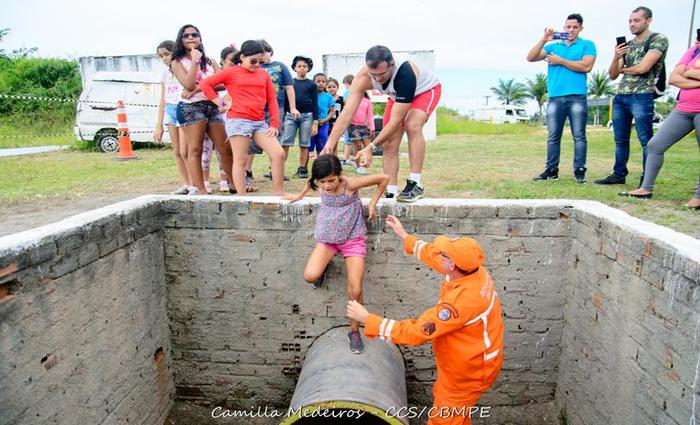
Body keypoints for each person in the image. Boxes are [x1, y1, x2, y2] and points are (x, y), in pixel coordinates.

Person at [347, 215, 503, 424]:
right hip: (466, 363)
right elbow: (434, 255)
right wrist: (405, 236)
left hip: (467, 373)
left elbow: (418, 331)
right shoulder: (473, 271)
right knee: (455, 412)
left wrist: (368, 319)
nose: (439, 254)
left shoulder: (460, 303)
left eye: (444, 254)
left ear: (452, 265)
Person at [286, 154, 389, 354]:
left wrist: (373, 204)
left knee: (355, 289)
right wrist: (299, 195)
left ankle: (354, 330)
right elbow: (310, 183)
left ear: (339, 175)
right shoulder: (319, 183)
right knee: (310, 276)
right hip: (328, 239)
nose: (326, 186)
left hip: (352, 239)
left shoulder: (350, 185)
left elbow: (383, 178)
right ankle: (323, 267)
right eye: (322, 181)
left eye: (331, 180)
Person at [322, 46, 441, 202]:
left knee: (412, 124)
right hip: (396, 96)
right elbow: (346, 114)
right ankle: (391, 190)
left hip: (424, 90)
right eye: (374, 75)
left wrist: (370, 147)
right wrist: (330, 143)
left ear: (391, 65)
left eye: (382, 74)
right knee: (390, 142)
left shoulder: (405, 73)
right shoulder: (363, 78)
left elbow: (396, 121)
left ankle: (416, 183)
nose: (377, 79)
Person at [619, 34, 700, 210]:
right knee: (655, 145)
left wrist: (689, 73)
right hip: (684, 109)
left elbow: (684, 74)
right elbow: (674, 78)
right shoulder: (693, 52)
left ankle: (699, 197)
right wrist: (692, 69)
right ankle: (645, 188)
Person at [198, 40, 287, 196]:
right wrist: (219, 102)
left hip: (259, 122)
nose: (257, 65)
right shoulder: (231, 72)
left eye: (261, 62)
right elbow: (206, 84)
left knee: (278, 154)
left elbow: (271, 99)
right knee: (240, 159)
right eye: (253, 61)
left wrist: (274, 123)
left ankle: (279, 193)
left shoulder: (263, 74)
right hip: (238, 120)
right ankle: (241, 197)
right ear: (243, 56)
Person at [595, 6, 669, 187]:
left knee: (646, 139)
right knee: (620, 138)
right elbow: (612, 75)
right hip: (621, 95)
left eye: (636, 20)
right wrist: (616, 57)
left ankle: (647, 177)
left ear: (648, 20)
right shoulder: (627, 45)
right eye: (630, 21)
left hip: (642, 94)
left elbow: (643, 68)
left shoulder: (657, 39)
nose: (632, 24)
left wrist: (623, 69)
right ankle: (619, 173)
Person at [526, 13, 596, 184]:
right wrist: (544, 39)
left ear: (581, 28)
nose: (571, 30)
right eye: (568, 27)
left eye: (575, 27)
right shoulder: (554, 46)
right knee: (553, 135)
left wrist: (561, 61)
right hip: (555, 96)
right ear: (564, 27)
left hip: (577, 96)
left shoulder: (587, 45)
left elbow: (586, 66)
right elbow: (531, 57)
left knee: (578, 135)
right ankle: (551, 170)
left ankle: (579, 170)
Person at [171, 24, 235, 195]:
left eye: (195, 35)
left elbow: (223, 82)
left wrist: (200, 88)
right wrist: (194, 60)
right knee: (195, 149)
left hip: (212, 105)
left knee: (225, 148)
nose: (191, 38)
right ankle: (200, 189)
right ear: (181, 40)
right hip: (190, 108)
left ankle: (234, 185)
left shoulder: (210, 61)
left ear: (200, 38)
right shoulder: (177, 62)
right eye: (186, 36)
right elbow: (188, 83)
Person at [256, 40, 299, 182]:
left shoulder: (280, 66)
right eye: (259, 53)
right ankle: (247, 171)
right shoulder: (253, 67)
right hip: (256, 108)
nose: (262, 55)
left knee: (275, 138)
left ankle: (275, 170)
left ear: (270, 52)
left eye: (264, 52)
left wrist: (292, 107)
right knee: (250, 141)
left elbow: (289, 87)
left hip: (276, 107)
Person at [153, 40, 191, 195]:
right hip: (170, 109)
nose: (164, 58)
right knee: (177, 152)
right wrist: (158, 125)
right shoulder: (164, 74)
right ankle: (186, 184)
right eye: (161, 56)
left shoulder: (184, 68)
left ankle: (195, 184)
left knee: (185, 151)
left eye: (166, 54)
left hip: (183, 107)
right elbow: (162, 99)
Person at [280, 56, 319, 179]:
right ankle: (278, 169)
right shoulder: (290, 83)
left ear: (308, 69)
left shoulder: (312, 84)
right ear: (294, 68)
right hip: (290, 116)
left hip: (307, 116)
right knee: (285, 142)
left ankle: (302, 169)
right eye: (299, 66)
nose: (302, 68)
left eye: (304, 66)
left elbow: (315, 104)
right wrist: (282, 119)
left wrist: (315, 122)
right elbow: (286, 102)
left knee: (304, 143)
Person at [308, 73, 336, 160]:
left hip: (323, 124)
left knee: (321, 145)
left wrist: (324, 120)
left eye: (323, 81)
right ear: (313, 82)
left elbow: (332, 112)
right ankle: (303, 168)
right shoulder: (309, 95)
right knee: (308, 146)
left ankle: (320, 163)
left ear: (326, 84)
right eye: (318, 81)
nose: (320, 83)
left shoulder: (328, 97)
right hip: (310, 123)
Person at [347, 91, 375, 175]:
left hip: (364, 127)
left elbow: (370, 115)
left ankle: (363, 165)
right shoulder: (351, 100)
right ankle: (358, 166)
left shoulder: (367, 101)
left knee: (368, 146)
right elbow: (347, 113)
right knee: (358, 146)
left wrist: (372, 128)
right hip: (353, 126)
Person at [326, 77, 344, 156]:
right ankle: (326, 160)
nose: (331, 89)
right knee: (326, 144)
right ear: (325, 88)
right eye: (329, 87)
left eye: (334, 87)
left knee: (334, 145)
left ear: (337, 87)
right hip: (326, 123)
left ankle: (334, 161)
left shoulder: (341, 99)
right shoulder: (325, 98)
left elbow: (344, 112)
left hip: (337, 124)